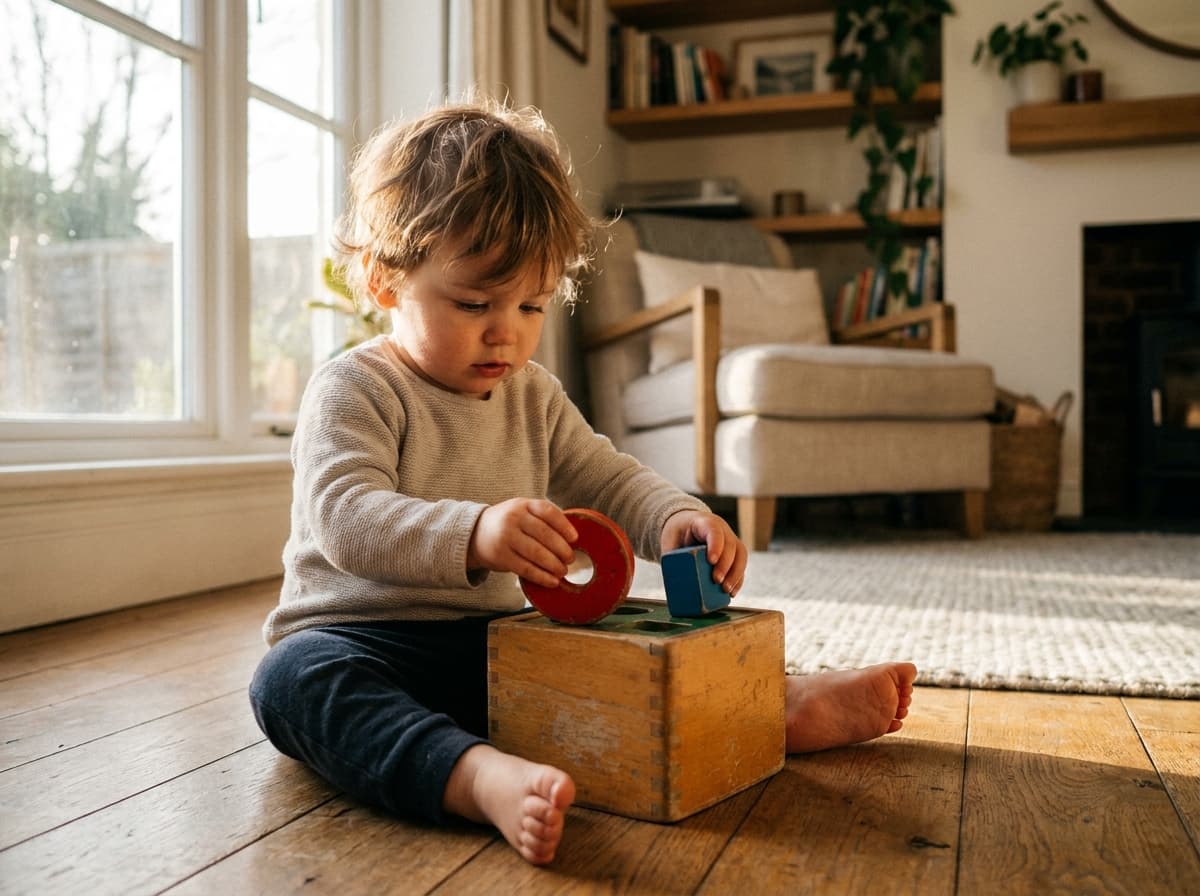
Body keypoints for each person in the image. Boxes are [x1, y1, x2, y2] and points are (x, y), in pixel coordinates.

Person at [249, 99, 917, 867]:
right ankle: (474, 777)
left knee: (608, 640)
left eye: (531, 304)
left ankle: (770, 705)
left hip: (499, 647)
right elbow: (346, 517)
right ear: (385, 279)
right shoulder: (355, 388)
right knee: (288, 683)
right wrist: (477, 533)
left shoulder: (531, 393)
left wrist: (673, 519)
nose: (506, 331)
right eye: (474, 303)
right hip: (363, 641)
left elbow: (605, 475)